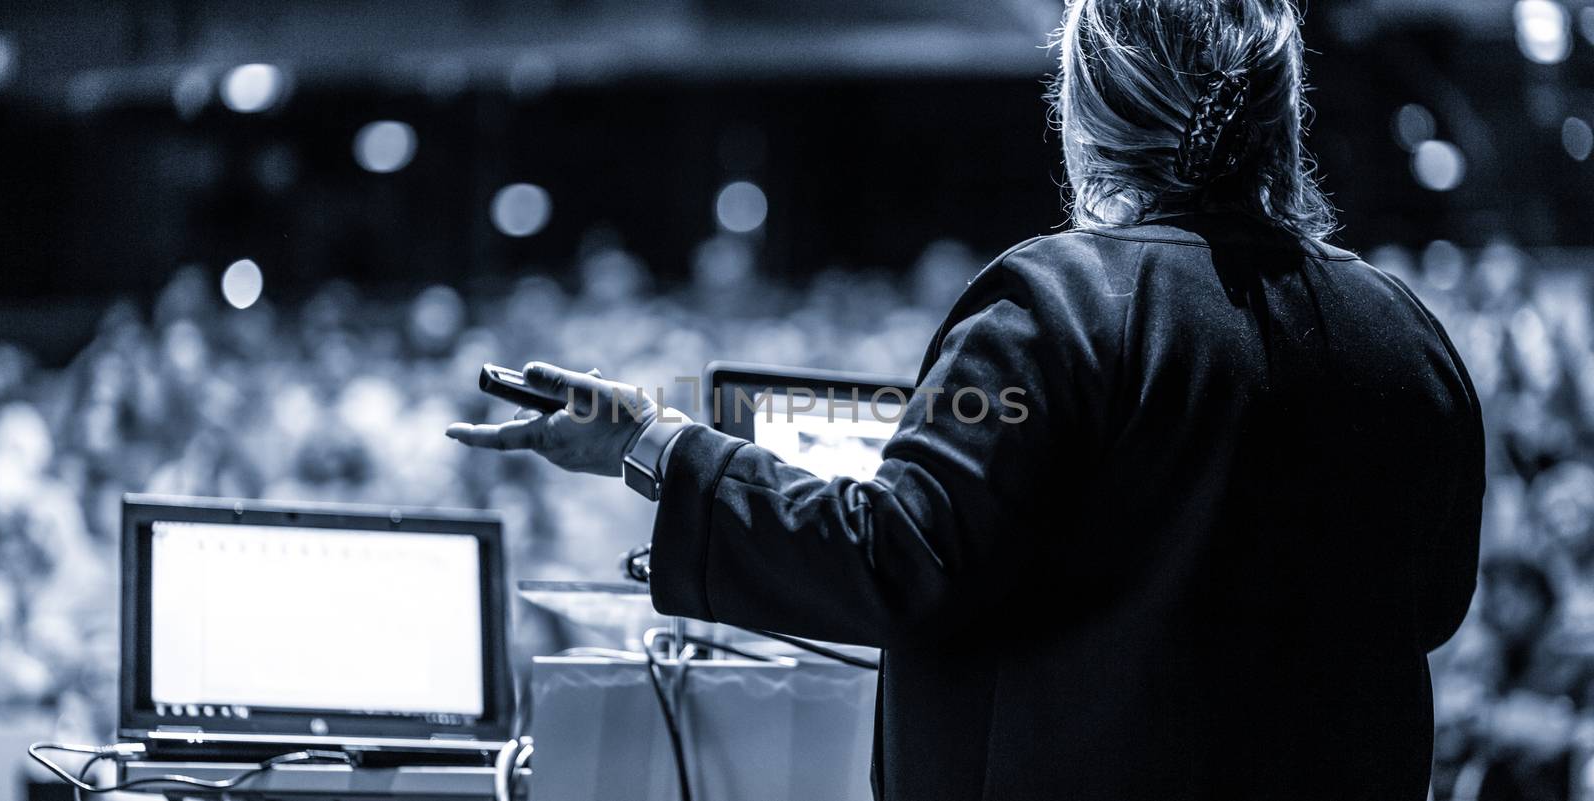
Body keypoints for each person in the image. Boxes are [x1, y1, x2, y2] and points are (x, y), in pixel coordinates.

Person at [447, 0, 1485, 798]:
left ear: (1088, 112)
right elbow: (1430, 604)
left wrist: (659, 446)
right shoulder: (1398, 326)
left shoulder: (1057, 303)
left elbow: (897, 557)